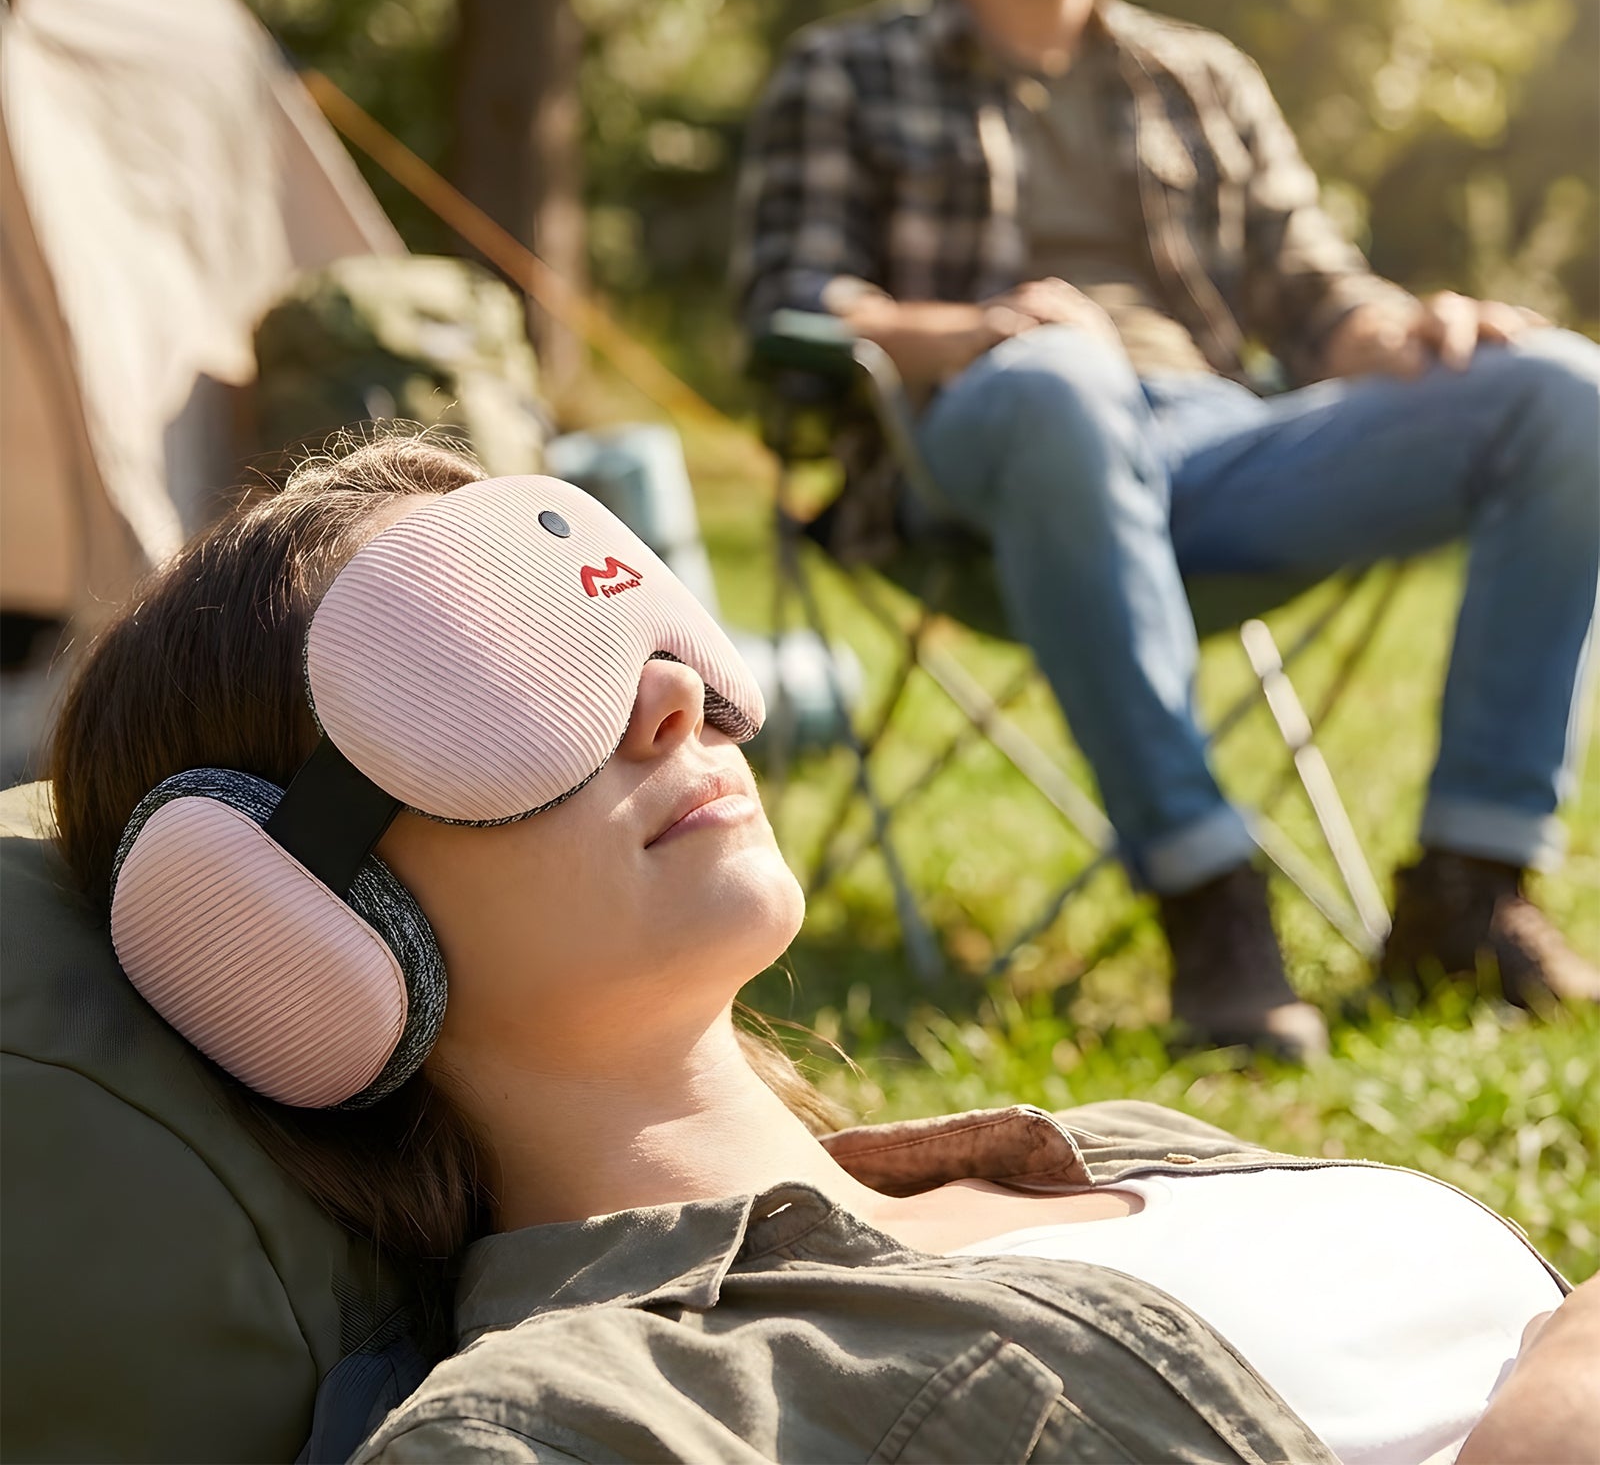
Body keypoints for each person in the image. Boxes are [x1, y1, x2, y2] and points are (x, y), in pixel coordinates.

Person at [46, 435, 1596, 1465]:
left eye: (624, 619)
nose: (666, 700)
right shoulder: (592, 1423)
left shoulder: (1105, 1153)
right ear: (262, 918)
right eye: (488, 680)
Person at [732, 0, 1600, 1060]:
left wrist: (1407, 330)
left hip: (1214, 444)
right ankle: (1209, 897)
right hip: (979, 454)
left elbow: (1316, 298)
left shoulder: (1199, 76)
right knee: (1060, 379)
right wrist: (971, 332)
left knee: (1563, 391)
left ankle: (1467, 896)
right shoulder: (845, 72)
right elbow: (789, 310)